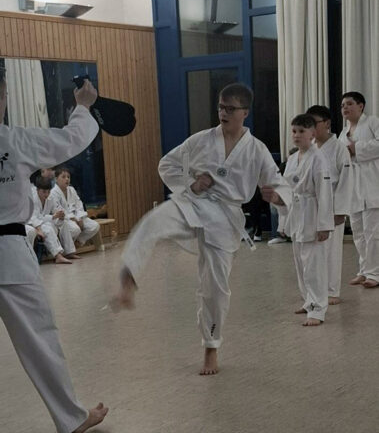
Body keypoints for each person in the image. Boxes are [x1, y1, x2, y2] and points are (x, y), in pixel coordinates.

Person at [113, 83, 292, 374]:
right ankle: (128, 279)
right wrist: (191, 184)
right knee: (152, 221)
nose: (223, 112)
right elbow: (167, 165)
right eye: (220, 106)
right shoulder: (200, 140)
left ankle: (211, 346)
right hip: (194, 203)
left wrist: (277, 195)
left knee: (215, 287)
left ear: (244, 112)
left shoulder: (256, 150)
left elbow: (276, 181)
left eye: (230, 108)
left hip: (225, 218)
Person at [0, 68, 108, 433]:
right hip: (8, 254)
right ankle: (72, 416)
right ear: (3, 98)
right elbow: (71, 139)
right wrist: (82, 105)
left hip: (12, 247)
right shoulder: (14, 140)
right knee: (39, 340)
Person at [283, 114, 334, 326]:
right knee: (301, 264)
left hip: (312, 214)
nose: (296, 135)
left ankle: (317, 309)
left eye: (301, 131)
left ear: (313, 133)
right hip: (297, 213)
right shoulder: (294, 158)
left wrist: (324, 225)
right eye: (294, 131)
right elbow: (286, 189)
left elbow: (324, 194)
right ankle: (308, 300)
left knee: (313, 265)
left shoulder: (319, 159)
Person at [307, 104, 353, 304]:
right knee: (313, 251)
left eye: (314, 124)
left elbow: (346, 180)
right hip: (312, 204)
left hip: (333, 203)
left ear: (326, 123)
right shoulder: (309, 149)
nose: (311, 129)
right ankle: (315, 290)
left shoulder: (339, 148)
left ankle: (332, 290)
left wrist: (341, 210)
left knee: (331, 250)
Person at [338, 91, 379, 288]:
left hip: (372, 185)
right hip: (353, 187)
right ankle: (363, 270)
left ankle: (375, 273)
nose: (345, 108)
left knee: (373, 233)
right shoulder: (343, 132)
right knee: (358, 232)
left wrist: (357, 148)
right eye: (343, 105)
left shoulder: (372, 122)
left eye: (349, 104)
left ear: (361, 106)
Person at [26, 176, 78, 264]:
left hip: (44, 221)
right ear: (38, 190)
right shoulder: (33, 198)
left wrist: (61, 215)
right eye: (44, 192)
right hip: (31, 223)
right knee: (48, 229)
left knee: (64, 224)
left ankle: (69, 252)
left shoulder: (50, 197)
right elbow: (34, 217)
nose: (46, 194)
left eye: (48, 192)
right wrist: (38, 229)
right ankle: (58, 256)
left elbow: (56, 209)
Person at [49, 166, 100, 247]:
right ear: (56, 179)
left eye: (68, 177)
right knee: (75, 229)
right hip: (63, 219)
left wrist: (79, 218)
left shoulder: (71, 190)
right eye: (63, 177)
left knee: (94, 226)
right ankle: (66, 246)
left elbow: (79, 205)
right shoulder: (53, 193)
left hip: (76, 217)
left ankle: (79, 240)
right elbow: (58, 211)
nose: (67, 179)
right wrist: (73, 219)